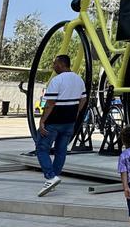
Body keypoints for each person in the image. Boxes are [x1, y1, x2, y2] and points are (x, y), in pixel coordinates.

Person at [35, 54, 87, 197]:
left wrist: (42, 120)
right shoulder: (78, 79)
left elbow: (49, 103)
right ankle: (54, 177)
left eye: (55, 64)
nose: (53, 66)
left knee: (41, 148)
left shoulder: (56, 80)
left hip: (54, 122)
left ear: (61, 64)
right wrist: (76, 113)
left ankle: (51, 177)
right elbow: (83, 98)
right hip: (69, 122)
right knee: (61, 150)